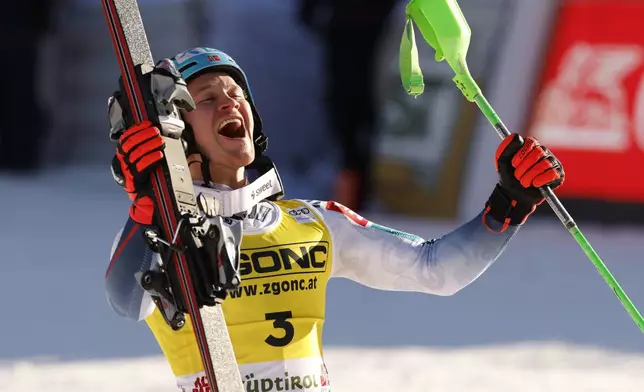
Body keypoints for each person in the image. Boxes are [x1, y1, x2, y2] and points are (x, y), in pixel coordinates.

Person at [105, 47, 564, 392]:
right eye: (205, 98)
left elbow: (436, 270)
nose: (229, 104)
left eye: (235, 93)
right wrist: (147, 207)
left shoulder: (314, 222)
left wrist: (509, 203)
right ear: (177, 133)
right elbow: (127, 302)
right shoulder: (162, 234)